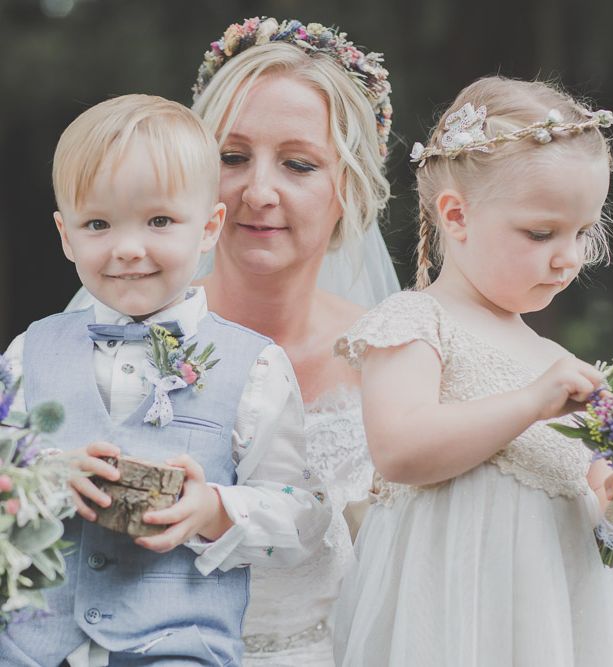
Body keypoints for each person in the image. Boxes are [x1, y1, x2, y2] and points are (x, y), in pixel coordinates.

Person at [65, 17, 400, 666]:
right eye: (231, 157)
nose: (259, 191)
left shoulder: (393, 358)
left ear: (346, 187)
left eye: (298, 163)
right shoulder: (106, 331)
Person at [333, 77, 613, 666]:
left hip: (548, 624)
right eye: (541, 233)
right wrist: (530, 402)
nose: (567, 257)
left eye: (582, 233)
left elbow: (592, 505)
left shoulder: (556, 364)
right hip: (450, 615)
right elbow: (400, 449)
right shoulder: (416, 321)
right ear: (457, 215)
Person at [1, 94, 330, 666]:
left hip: (180, 649)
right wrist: (48, 479)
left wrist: (213, 508)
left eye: (159, 221)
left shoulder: (253, 366)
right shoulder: (30, 352)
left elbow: (304, 515)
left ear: (208, 227)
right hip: (30, 649)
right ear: (65, 235)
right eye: (98, 224)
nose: (129, 249)